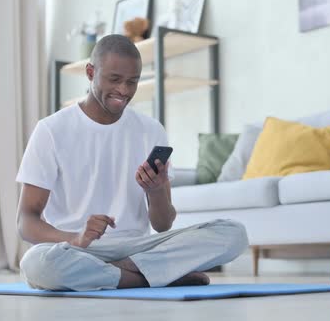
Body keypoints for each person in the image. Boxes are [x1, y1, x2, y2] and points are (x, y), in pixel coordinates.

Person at [16, 34, 248, 291]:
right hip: (76, 250)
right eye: (114, 80)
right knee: (37, 265)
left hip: (136, 247)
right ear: (91, 72)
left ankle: (121, 274)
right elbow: (26, 222)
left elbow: (163, 225)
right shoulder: (51, 130)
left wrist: (156, 190)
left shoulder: (151, 130)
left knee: (233, 234)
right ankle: (153, 276)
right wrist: (76, 238)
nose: (124, 91)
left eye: (132, 82)